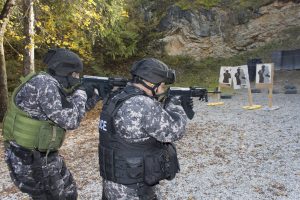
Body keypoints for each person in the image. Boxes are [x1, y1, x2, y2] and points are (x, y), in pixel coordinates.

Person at [2, 48, 103, 200]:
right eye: (75, 74)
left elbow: (71, 110)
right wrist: (82, 93)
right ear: (64, 72)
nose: (77, 78)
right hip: (29, 158)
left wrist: (96, 96)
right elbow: (71, 121)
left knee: (69, 193)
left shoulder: (49, 83)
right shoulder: (45, 85)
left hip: (43, 155)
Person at [99, 58, 192, 200]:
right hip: (134, 188)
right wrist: (176, 104)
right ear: (151, 83)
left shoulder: (116, 96)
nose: (161, 90)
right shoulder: (142, 104)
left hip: (114, 183)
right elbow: (175, 131)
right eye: (161, 86)